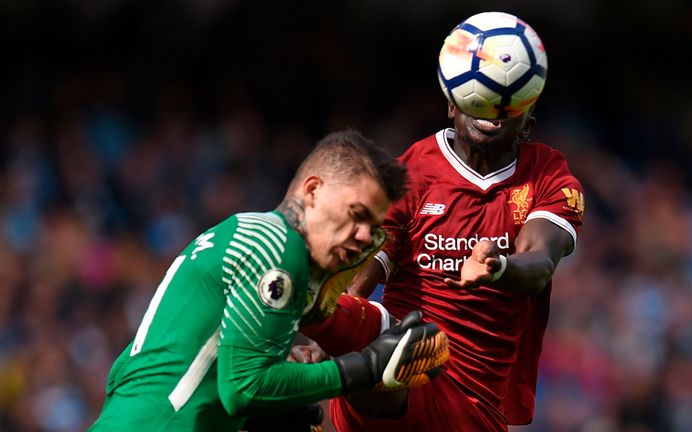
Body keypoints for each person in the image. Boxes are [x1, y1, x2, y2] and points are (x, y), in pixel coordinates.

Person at [88, 129, 450, 432]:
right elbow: (244, 388)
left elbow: (135, 373)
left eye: (372, 227)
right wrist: (365, 366)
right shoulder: (278, 247)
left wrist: (273, 406)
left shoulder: (247, 233)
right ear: (312, 191)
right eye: (356, 215)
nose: (361, 236)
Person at [327, 21, 586, 432]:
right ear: (451, 104)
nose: (489, 111)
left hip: (472, 404)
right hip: (397, 373)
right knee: (386, 338)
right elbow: (365, 267)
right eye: (476, 99)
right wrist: (323, 329)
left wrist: (498, 267)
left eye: (507, 104)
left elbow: (539, 263)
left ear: (528, 118)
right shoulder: (414, 169)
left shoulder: (547, 175)